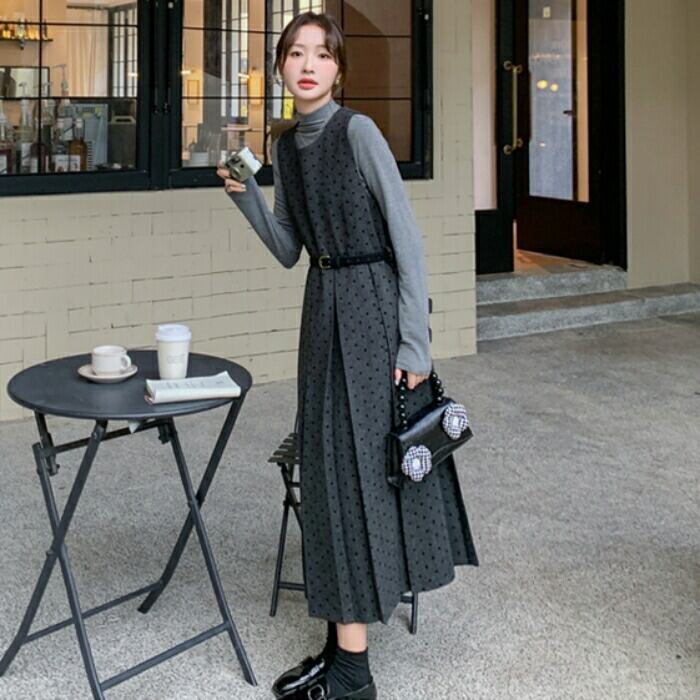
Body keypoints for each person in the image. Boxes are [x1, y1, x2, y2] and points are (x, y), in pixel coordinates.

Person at [217, 12, 478, 700]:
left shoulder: (358, 132)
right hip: (323, 309)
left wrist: (415, 344)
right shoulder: (286, 148)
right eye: (295, 54)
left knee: (362, 474)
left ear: (338, 68)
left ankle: (354, 674)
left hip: (372, 310)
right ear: (280, 67)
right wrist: (246, 199)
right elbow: (288, 249)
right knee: (330, 475)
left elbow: (407, 238)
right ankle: (341, 653)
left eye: (322, 55)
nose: (308, 65)